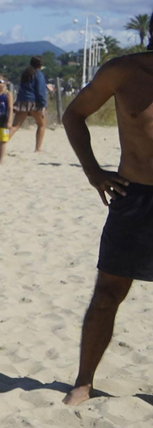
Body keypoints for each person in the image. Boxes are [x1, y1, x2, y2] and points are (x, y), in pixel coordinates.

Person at [60, 44, 153, 405]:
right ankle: (84, 382)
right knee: (107, 294)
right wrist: (92, 171)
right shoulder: (123, 71)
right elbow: (73, 115)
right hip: (134, 198)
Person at [13, 56, 49, 153]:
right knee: (41, 124)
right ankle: (38, 148)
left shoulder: (26, 74)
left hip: (22, 100)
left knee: (15, 126)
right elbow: (40, 92)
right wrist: (43, 105)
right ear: (41, 65)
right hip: (33, 102)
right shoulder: (39, 75)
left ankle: (2, 141)